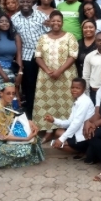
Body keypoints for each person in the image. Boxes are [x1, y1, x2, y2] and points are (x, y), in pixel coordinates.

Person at [0, 83, 45, 171]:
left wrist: (29, 122)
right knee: (24, 148)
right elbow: (2, 136)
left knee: (33, 141)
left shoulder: (7, 104)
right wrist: (26, 138)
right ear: (1, 93)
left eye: (13, 93)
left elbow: (11, 119)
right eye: (8, 93)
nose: (11, 96)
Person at [33, 11, 78, 142]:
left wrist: (59, 70)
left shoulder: (70, 37)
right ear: (49, 22)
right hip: (46, 77)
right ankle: (48, 131)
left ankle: (65, 130)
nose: (56, 23)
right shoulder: (43, 38)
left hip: (66, 76)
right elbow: (38, 56)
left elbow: (73, 56)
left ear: (62, 22)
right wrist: (47, 70)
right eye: (53, 20)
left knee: (66, 103)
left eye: (58, 21)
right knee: (48, 103)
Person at [11, 0, 49, 120]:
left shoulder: (42, 16)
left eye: (28, 1)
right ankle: (32, 114)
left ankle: (46, 113)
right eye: (22, 1)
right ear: (19, 3)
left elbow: (49, 33)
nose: (25, 3)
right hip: (26, 56)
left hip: (44, 55)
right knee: (29, 86)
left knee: (45, 84)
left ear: (32, 2)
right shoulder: (14, 18)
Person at [44, 78, 95, 156]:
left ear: (84, 89)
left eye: (77, 88)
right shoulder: (78, 101)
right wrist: (54, 120)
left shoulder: (84, 102)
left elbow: (76, 123)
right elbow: (70, 122)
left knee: (58, 145)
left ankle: (83, 151)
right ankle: (77, 147)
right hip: (77, 130)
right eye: (72, 87)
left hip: (83, 135)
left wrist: (61, 139)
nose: (74, 90)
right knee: (58, 132)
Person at [0, 14, 23, 98]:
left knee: (12, 98)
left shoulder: (15, 36)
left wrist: (20, 73)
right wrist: (4, 76)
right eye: (1, 22)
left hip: (11, 70)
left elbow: (19, 56)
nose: (4, 23)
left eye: (6, 21)